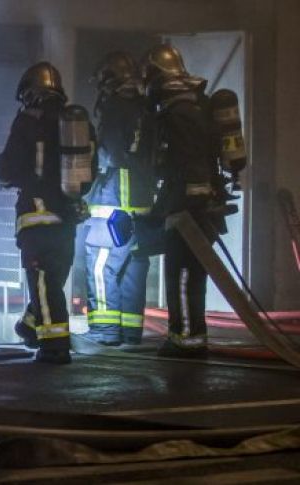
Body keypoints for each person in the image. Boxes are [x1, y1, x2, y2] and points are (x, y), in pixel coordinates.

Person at [0, 62, 94, 364]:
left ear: (30, 93)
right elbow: (92, 167)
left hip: (36, 217)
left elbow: (9, 166)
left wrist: (0, 172)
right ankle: (30, 326)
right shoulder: (76, 122)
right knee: (53, 280)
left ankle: (54, 347)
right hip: (67, 216)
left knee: (42, 282)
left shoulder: (28, 121)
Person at [140, 44, 221, 358]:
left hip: (188, 210)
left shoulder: (179, 113)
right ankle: (187, 334)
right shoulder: (191, 107)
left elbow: (186, 164)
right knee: (187, 273)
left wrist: (176, 202)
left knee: (183, 273)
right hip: (192, 206)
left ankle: (186, 338)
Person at [83, 52, 157, 346]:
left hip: (113, 201)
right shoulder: (148, 108)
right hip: (142, 204)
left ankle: (104, 331)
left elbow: (111, 153)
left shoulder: (114, 107)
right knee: (134, 267)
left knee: (102, 265)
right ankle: (130, 331)